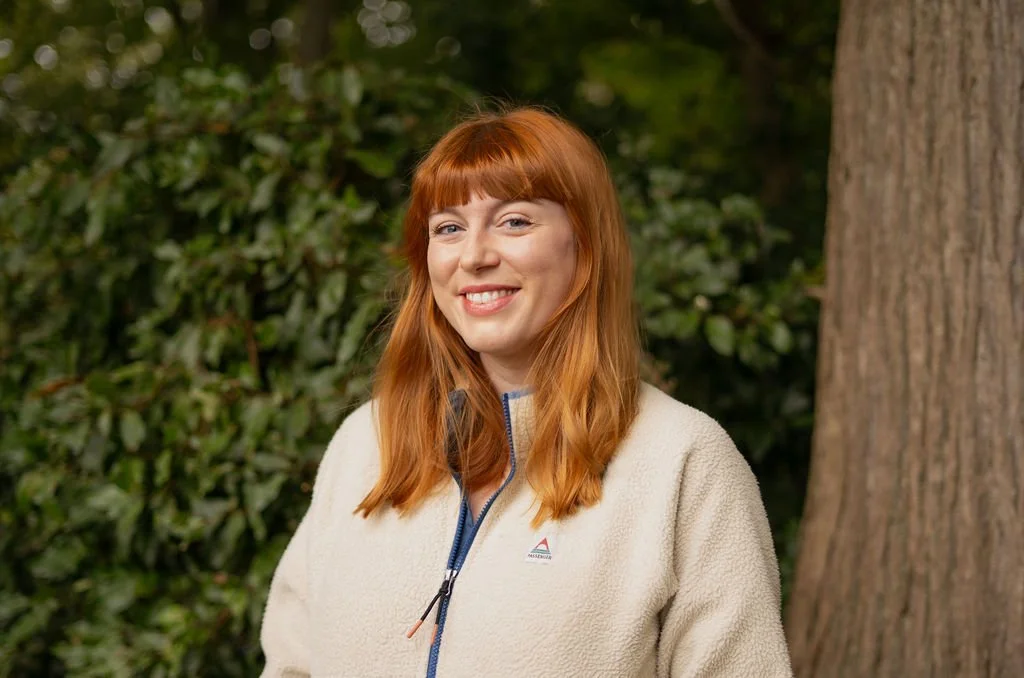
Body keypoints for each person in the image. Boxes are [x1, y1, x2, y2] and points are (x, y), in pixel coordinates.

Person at [259, 107, 793, 677]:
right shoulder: (363, 445)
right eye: (448, 228)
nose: (474, 256)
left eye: (514, 222)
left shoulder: (682, 460)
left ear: (585, 242)